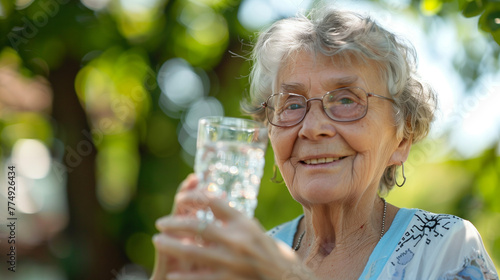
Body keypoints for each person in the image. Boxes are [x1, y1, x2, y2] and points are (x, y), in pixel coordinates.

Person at [150, 8, 499, 280]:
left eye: (346, 101)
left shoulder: (444, 248)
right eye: (292, 104)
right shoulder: (246, 256)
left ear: (402, 139)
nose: (312, 128)